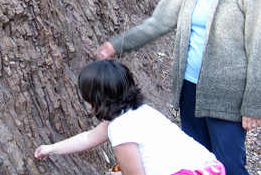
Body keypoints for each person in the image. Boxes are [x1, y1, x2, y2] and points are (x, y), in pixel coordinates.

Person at [95, 0, 261, 175]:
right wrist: (118, 44)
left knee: (230, 166)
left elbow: (258, 46)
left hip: (228, 97)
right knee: (195, 162)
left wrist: (254, 104)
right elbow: (160, 21)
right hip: (189, 89)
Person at [34, 60, 225, 175]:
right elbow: (89, 138)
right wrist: (50, 149)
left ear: (95, 97)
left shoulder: (121, 129)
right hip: (209, 167)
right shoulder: (138, 113)